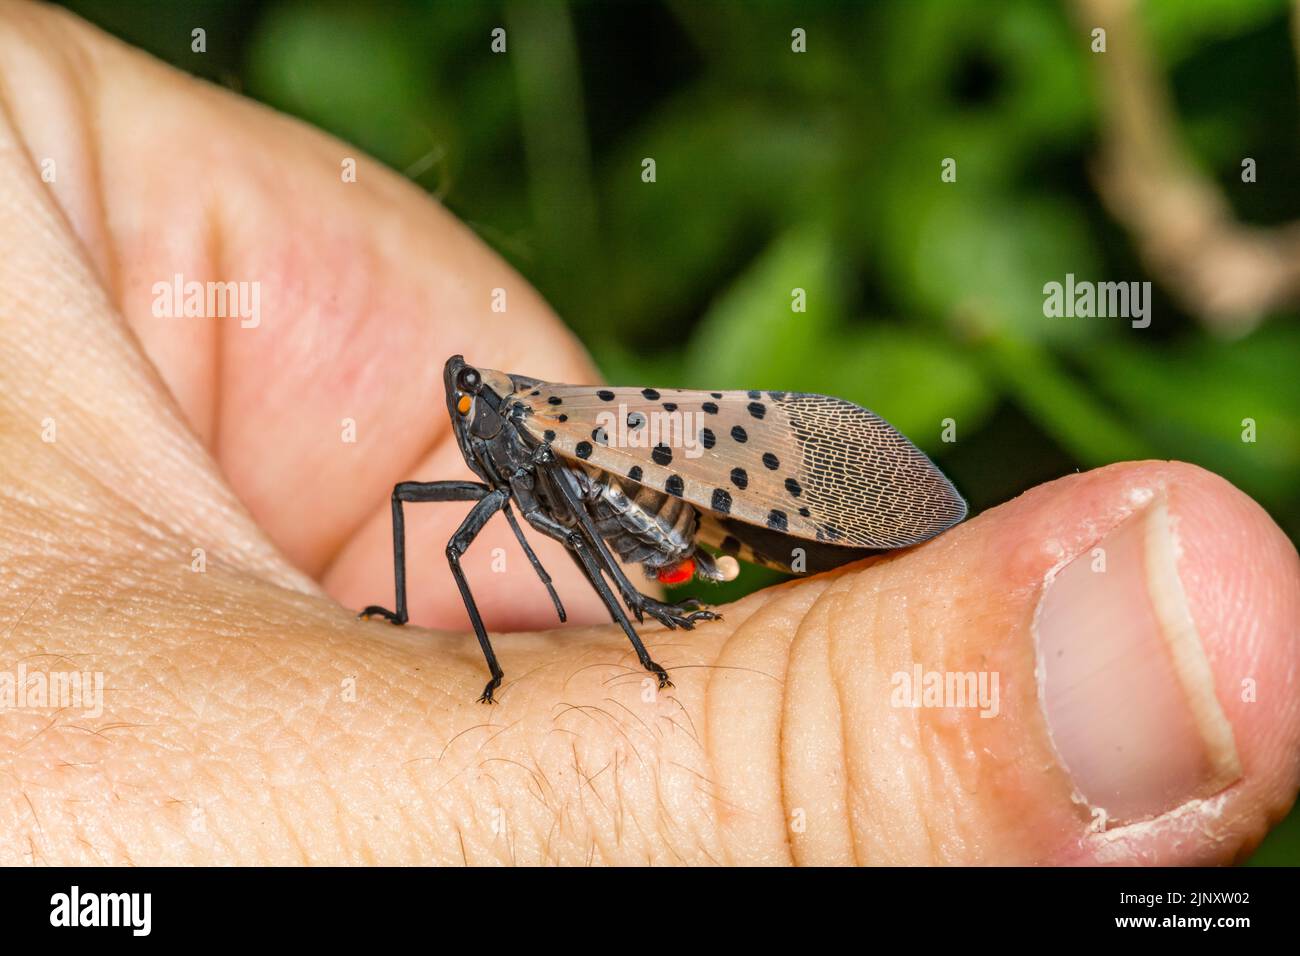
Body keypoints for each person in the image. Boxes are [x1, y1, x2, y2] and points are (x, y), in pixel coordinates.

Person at [0, 4, 1295, 865]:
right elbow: (462, 536)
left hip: (666, 478)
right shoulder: (478, 469)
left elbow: (572, 509)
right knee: (447, 523)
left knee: (594, 509)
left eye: (466, 412)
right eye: (464, 414)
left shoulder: (544, 432)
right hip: (610, 508)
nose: (458, 429)